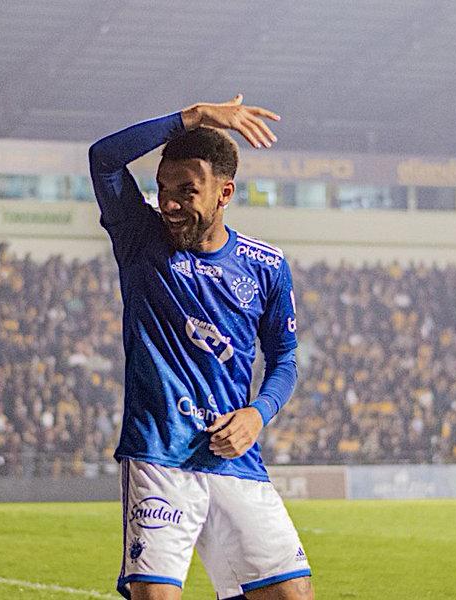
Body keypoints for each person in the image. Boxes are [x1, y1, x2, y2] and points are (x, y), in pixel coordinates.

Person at [89, 95, 312, 600]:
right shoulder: (140, 238)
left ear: (225, 192)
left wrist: (257, 413)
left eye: (187, 191)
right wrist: (193, 116)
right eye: (163, 188)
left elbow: (284, 359)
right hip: (159, 455)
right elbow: (103, 158)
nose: (169, 203)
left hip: (234, 460)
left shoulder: (266, 265)